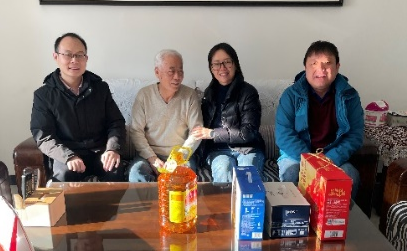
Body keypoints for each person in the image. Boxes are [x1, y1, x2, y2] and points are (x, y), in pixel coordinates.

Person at [30, 32, 126, 182]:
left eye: (79, 55)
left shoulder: (100, 88)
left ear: (86, 59)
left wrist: (112, 149)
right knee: (63, 177)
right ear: (56, 57)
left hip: (100, 152)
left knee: (115, 171)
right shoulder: (44, 95)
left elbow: (116, 123)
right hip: (67, 154)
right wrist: (68, 156)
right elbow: (43, 136)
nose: (74, 60)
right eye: (68, 55)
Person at [275, 40, 364, 199]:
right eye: (314, 63)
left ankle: (339, 217)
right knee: (292, 174)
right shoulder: (291, 95)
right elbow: (283, 135)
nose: (321, 69)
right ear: (305, 67)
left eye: (327, 63)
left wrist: (329, 159)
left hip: (332, 156)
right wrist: (311, 162)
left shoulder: (350, 96)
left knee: (350, 176)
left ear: (337, 67)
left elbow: (355, 135)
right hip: (297, 155)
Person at [190, 43, 265, 182]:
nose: (222, 68)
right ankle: (224, 198)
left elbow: (248, 132)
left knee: (247, 175)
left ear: (235, 64)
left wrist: (212, 133)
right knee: (223, 169)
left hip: (247, 149)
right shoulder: (208, 94)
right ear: (211, 68)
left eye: (227, 62)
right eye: (216, 64)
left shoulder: (249, 92)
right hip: (217, 150)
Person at [127, 49, 203, 182]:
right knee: (136, 172)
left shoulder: (190, 95)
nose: (177, 77)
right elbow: (136, 131)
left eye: (180, 71)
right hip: (149, 156)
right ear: (157, 72)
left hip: (181, 156)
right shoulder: (144, 95)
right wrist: (152, 158)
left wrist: (178, 158)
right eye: (171, 71)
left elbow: (196, 131)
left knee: (184, 176)